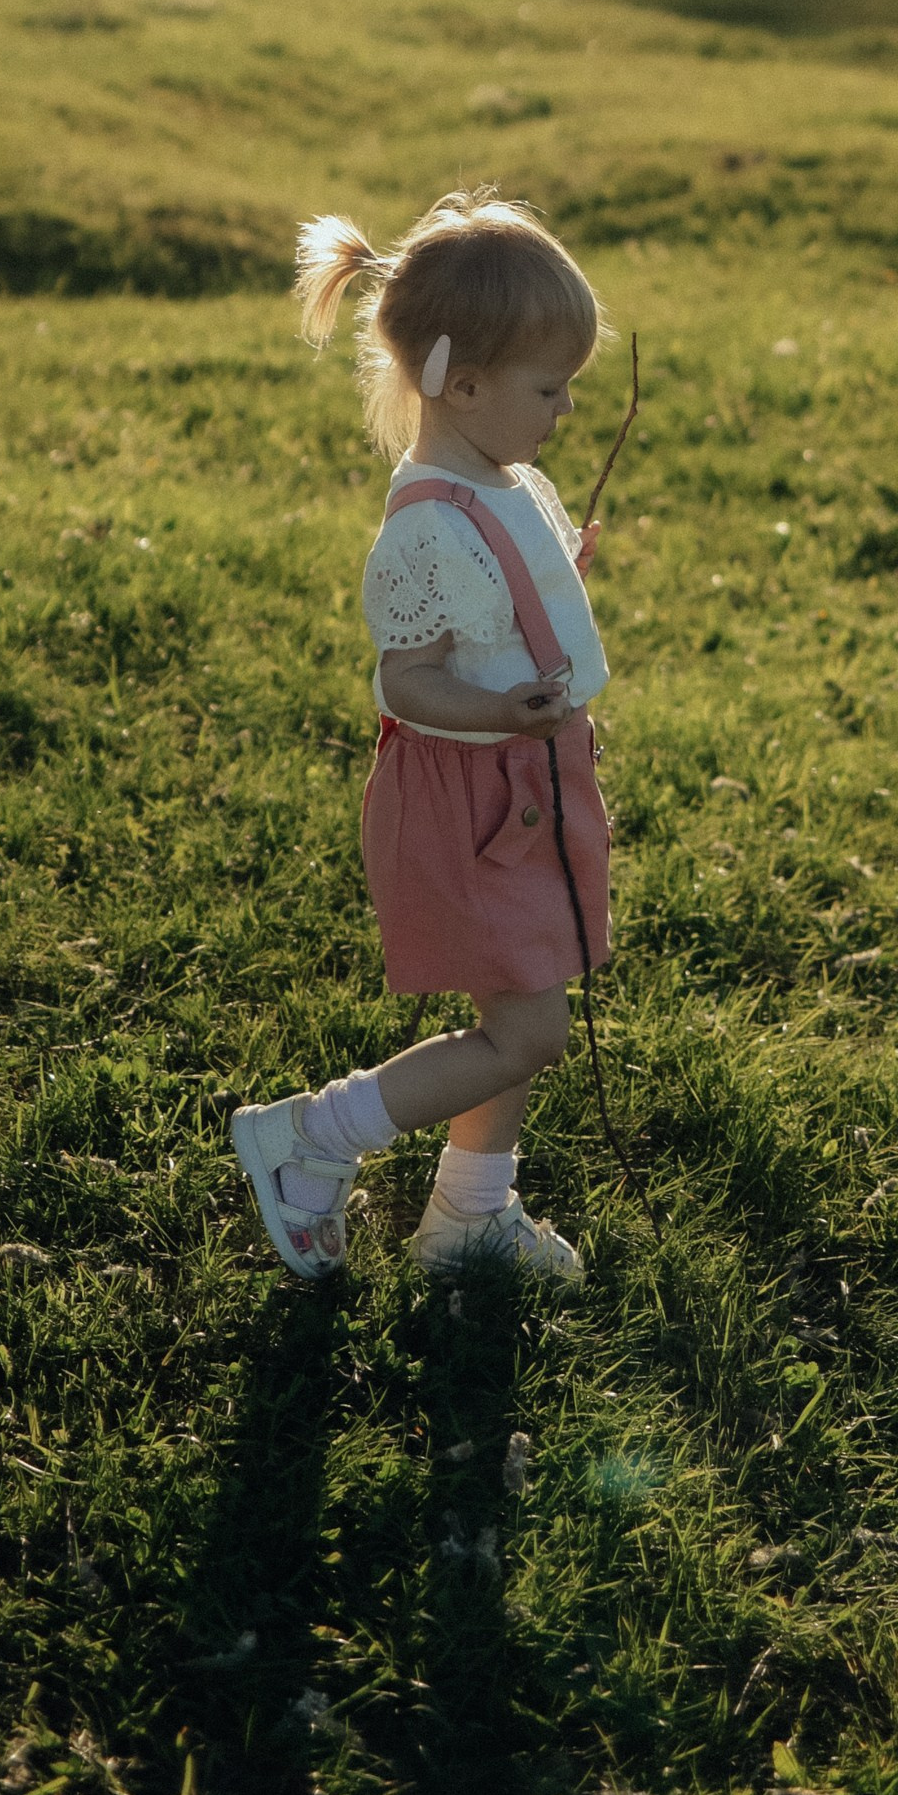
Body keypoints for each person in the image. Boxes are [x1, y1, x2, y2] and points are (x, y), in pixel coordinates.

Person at [232, 191, 616, 1282]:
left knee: (525, 997)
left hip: (528, 776)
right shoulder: (428, 530)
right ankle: (309, 1136)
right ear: (464, 383)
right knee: (529, 1028)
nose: (565, 411)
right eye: (550, 389)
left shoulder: (506, 482)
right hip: (468, 788)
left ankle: (467, 1213)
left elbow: (502, 615)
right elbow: (405, 680)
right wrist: (498, 711)